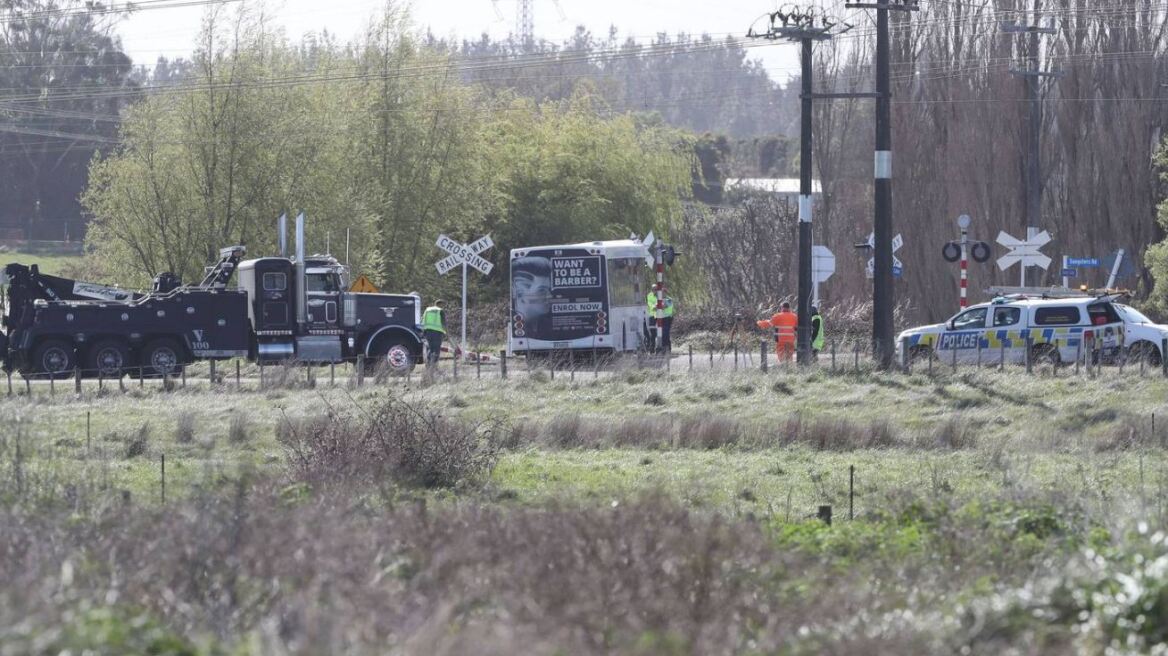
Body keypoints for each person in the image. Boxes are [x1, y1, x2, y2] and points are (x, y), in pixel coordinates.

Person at [422, 299, 446, 367]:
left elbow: (423, 319)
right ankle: (434, 366)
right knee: (436, 349)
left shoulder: (427, 310)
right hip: (437, 333)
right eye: (443, 305)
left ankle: (428, 365)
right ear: (440, 304)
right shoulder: (440, 311)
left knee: (429, 348)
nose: (443, 307)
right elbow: (443, 323)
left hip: (427, 332)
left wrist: (423, 331)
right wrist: (446, 332)